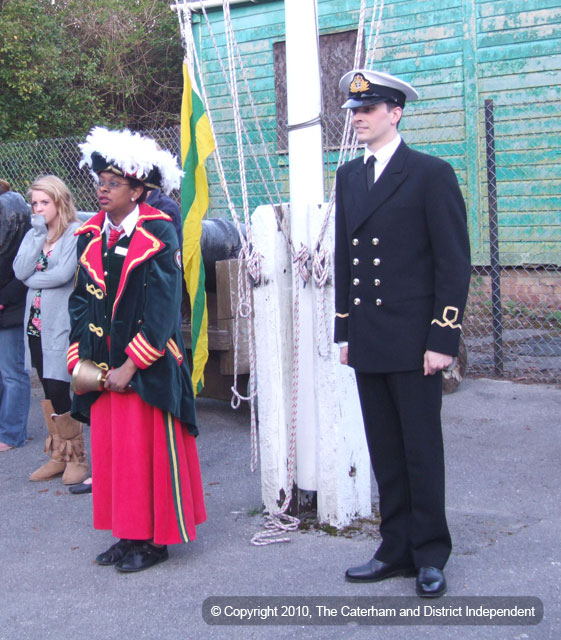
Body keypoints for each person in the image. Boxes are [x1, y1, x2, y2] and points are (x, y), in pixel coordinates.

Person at [334, 70, 471, 598]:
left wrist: (442, 339)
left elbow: (453, 264)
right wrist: (345, 330)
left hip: (417, 340)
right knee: (385, 448)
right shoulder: (349, 177)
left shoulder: (430, 173)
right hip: (369, 336)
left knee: (420, 448)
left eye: (369, 108)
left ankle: (430, 552)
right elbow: (347, 259)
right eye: (354, 110)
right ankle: (394, 548)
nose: (358, 117)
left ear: (396, 113)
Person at [68, 126, 206, 572]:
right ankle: (127, 534)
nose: (102, 190)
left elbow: (165, 309)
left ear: (138, 190)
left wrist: (132, 364)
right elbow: (79, 301)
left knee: (148, 455)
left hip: (147, 367)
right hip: (103, 370)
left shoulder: (159, 232)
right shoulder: (89, 234)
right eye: (99, 183)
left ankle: (154, 542)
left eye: (113, 183)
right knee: (114, 456)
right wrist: (79, 357)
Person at [13, 175, 89, 484]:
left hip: (59, 324)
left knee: (60, 386)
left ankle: (78, 458)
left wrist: (31, 279)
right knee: (46, 386)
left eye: (45, 202)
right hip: (34, 325)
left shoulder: (74, 233)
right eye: (35, 203)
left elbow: (64, 274)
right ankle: (58, 455)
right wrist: (36, 235)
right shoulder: (35, 234)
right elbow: (19, 269)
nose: (39, 208)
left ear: (59, 201)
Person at [0, 181, 31, 451]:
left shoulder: (15, 215)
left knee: (12, 372)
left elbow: (23, 272)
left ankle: (12, 434)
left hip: (10, 308)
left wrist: (3, 301)